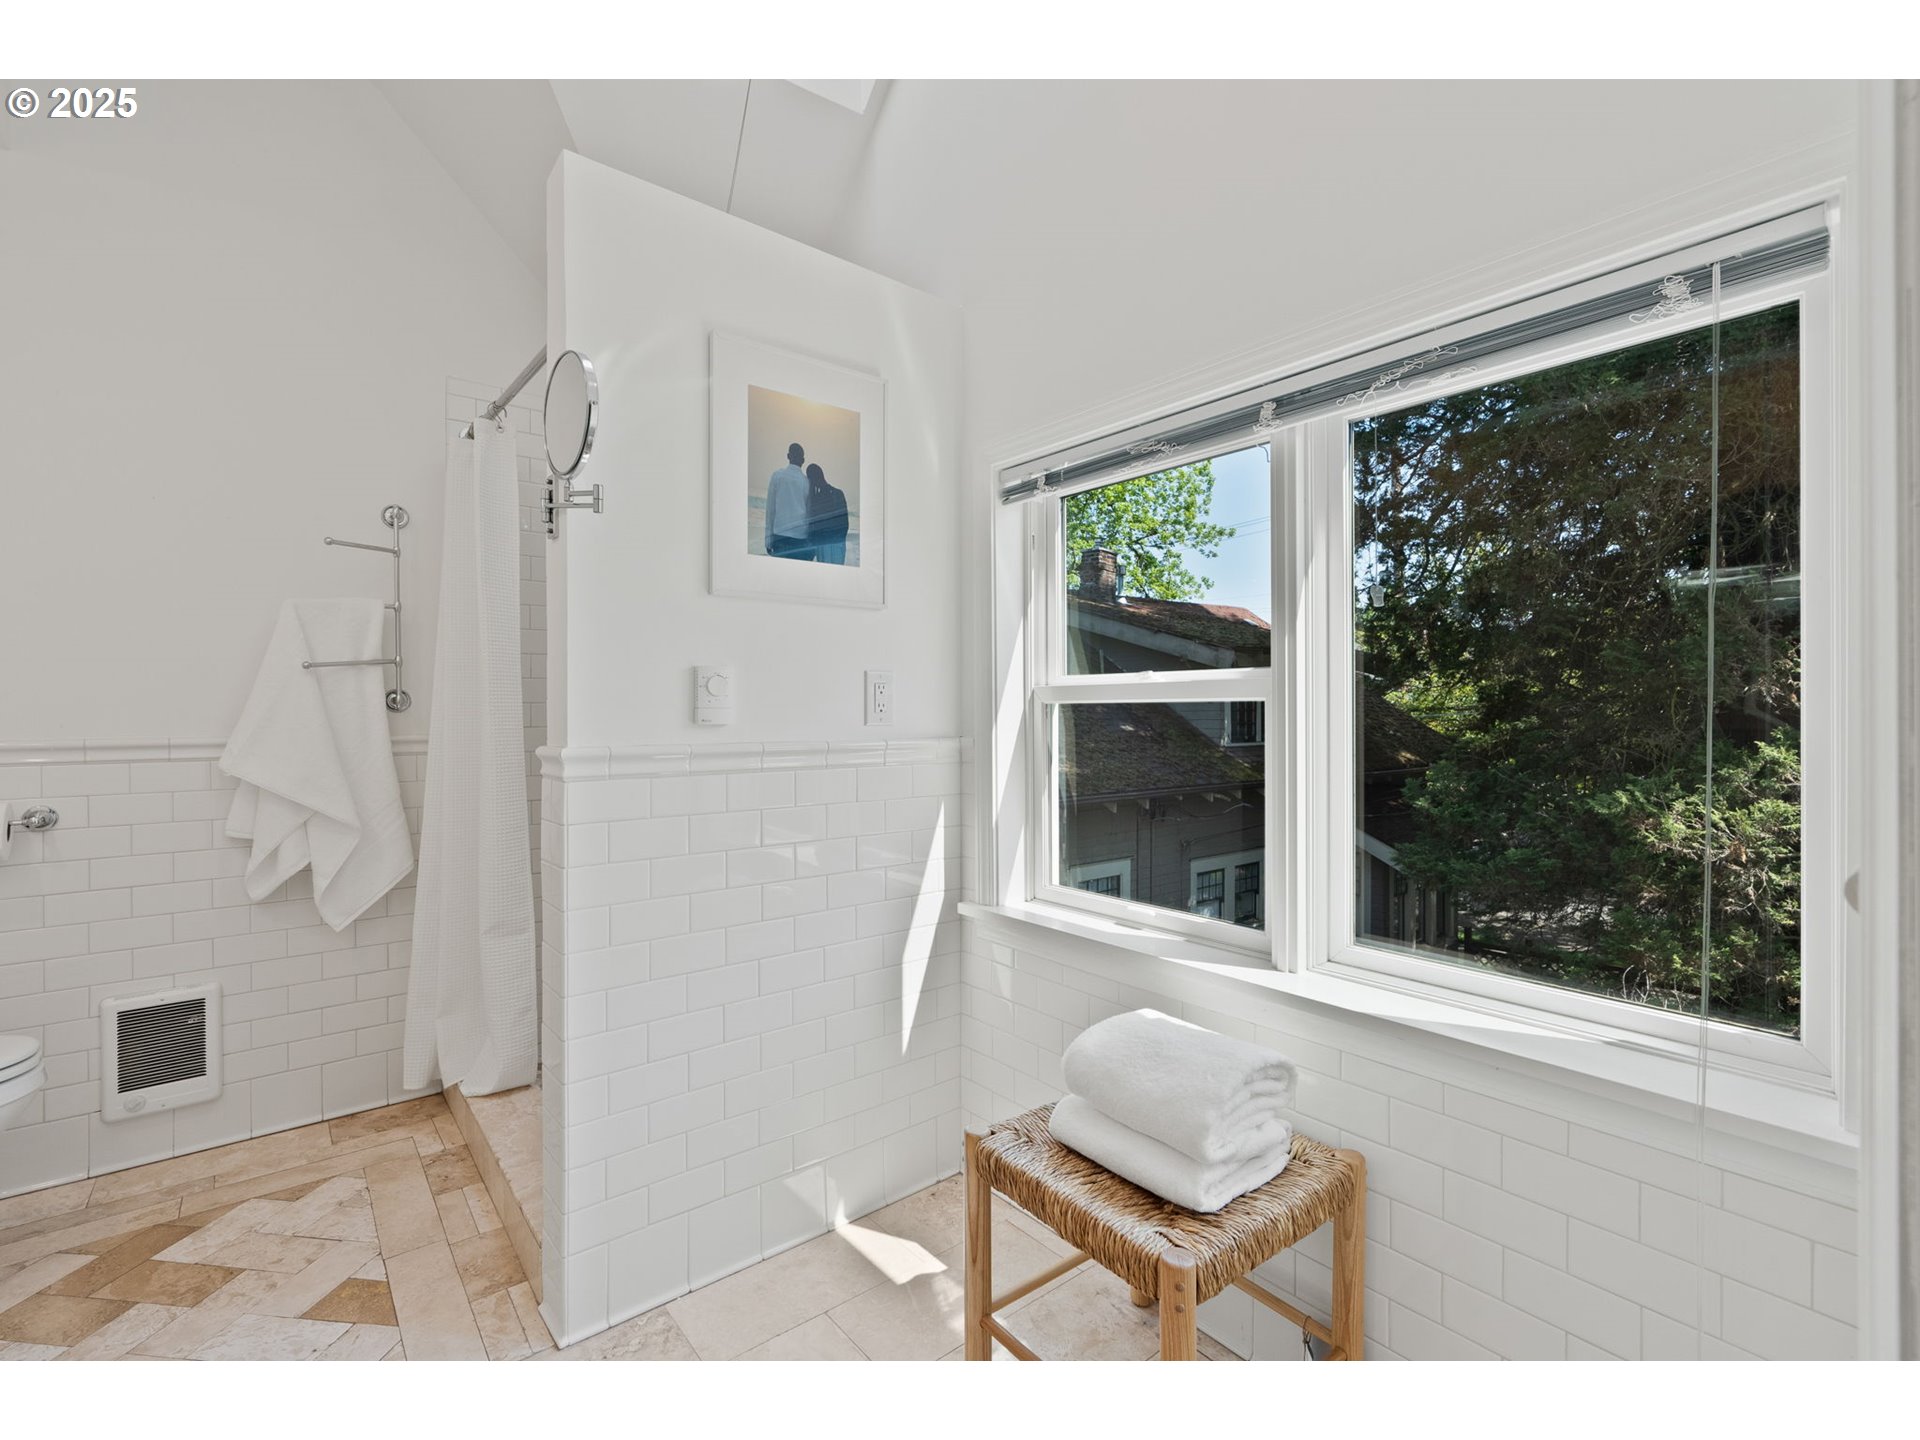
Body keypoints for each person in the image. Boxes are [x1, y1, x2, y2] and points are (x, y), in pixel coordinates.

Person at [764, 442, 811, 560]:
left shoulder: (777, 476)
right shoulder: (807, 482)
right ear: (803, 460)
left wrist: (768, 539)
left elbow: (770, 510)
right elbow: (810, 514)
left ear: (788, 456)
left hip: (780, 534)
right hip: (800, 537)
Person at [806, 461, 850, 565]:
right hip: (838, 543)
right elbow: (845, 523)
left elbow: (813, 528)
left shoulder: (815, 499)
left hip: (823, 545)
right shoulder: (838, 493)